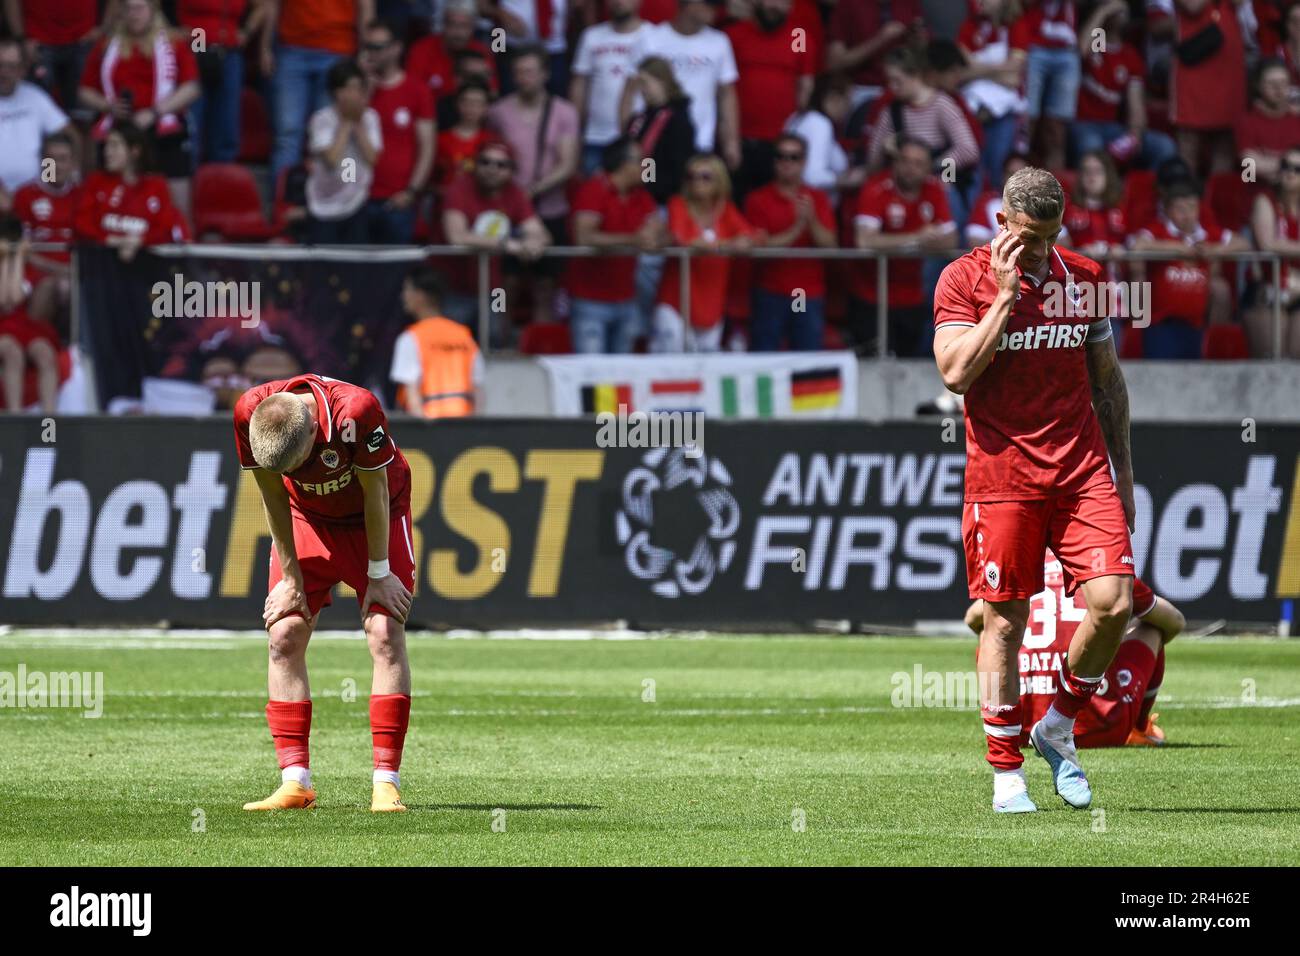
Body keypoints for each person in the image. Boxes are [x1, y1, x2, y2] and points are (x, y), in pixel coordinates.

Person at [932, 165, 1137, 814]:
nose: (1042, 250)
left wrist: (1124, 471)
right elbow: (957, 375)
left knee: (1114, 603)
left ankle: (1057, 725)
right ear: (1001, 223)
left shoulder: (1087, 280)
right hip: (1003, 477)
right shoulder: (962, 280)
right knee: (1004, 621)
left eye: (1051, 236)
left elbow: (1106, 382)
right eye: (1028, 235)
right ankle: (1006, 773)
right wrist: (1003, 296)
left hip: (1081, 472)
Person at [233, 373, 416, 812]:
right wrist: (291, 578)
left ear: (315, 430)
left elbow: (377, 491)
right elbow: (273, 495)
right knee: (284, 636)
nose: (296, 474)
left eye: (299, 465)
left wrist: (377, 572)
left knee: (384, 632)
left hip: (375, 516)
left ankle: (385, 784)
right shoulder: (247, 411)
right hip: (304, 519)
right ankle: (294, 782)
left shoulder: (358, 410)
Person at [964, 551, 1185, 749]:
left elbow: (972, 619)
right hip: (1101, 728)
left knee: (990, 632)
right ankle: (1139, 728)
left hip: (1022, 729)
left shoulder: (1021, 567)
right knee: (1152, 628)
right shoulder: (1104, 568)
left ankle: (1000, 726)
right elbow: (1175, 621)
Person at [78, 0, 201, 217]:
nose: (133, 14)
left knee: (177, 208)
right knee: (113, 202)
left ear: (153, 10)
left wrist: (155, 112)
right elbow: (84, 91)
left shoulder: (174, 43)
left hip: (164, 128)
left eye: (139, 8)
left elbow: (192, 88)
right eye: (128, 8)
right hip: (119, 128)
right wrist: (108, 106)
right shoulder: (106, 45)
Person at [487, 45, 580, 325]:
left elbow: (567, 163)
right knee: (506, 284)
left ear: (544, 75)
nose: (523, 78)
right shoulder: (499, 112)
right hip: (509, 210)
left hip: (550, 208)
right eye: (518, 72)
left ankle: (541, 346)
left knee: (545, 286)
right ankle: (499, 343)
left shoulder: (564, 112)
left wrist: (533, 190)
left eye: (529, 71)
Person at [854, 136, 958, 357]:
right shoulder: (876, 187)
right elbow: (864, 241)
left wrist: (896, 241)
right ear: (895, 162)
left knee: (908, 361)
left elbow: (951, 240)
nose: (911, 168)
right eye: (905, 160)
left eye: (918, 163)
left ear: (928, 167)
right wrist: (918, 237)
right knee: (876, 361)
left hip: (912, 295)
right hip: (872, 294)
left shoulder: (934, 189)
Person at [440, 138, 551, 335]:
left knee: (496, 334)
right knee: (452, 340)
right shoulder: (459, 188)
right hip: (455, 288)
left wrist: (534, 242)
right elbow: (457, 236)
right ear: (476, 164)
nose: (492, 169)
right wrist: (506, 244)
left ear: (511, 170)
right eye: (485, 162)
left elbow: (539, 231)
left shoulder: (514, 193)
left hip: (496, 290)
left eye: (501, 165)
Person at [1129, 179, 1248, 358]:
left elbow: (1244, 244)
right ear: (1168, 211)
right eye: (1180, 209)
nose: (1187, 215)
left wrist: (1214, 249)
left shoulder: (1207, 233)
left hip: (1196, 325)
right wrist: (1178, 248)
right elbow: (1137, 245)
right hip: (1161, 325)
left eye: (1192, 208)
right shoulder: (1158, 230)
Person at [568, 136, 663, 353]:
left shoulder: (641, 195)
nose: (647, 166)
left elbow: (662, 230)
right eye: (642, 161)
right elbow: (584, 237)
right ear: (624, 164)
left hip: (627, 300)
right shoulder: (593, 190)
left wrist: (655, 237)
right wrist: (634, 239)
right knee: (591, 375)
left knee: (620, 377)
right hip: (590, 302)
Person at [743, 132, 837, 351]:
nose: (787, 162)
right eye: (781, 156)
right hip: (771, 291)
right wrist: (797, 228)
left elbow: (830, 246)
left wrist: (811, 220)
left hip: (807, 292)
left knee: (807, 361)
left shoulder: (817, 198)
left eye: (794, 157)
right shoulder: (757, 199)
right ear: (773, 160)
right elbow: (759, 246)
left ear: (804, 162)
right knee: (765, 359)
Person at [652, 152, 754, 352]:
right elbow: (683, 239)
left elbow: (748, 240)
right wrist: (726, 245)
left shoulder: (726, 210)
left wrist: (714, 246)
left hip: (711, 306)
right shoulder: (678, 204)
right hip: (676, 304)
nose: (697, 182)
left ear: (719, 181)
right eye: (691, 177)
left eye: (705, 177)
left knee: (706, 372)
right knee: (673, 369)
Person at [263, 0, 372, 182]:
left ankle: (329, 205)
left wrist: (366, 50)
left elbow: (366, 5)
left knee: (331, 133)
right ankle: (283, 204)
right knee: (287, 135)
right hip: (292, 47)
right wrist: (265, 46)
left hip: (337, 49)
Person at [629, 0, 741, 168]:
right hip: (652, 142)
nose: (715, 9)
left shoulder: (719, 42)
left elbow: (726, 95)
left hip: (700, 143)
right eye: (709, 4)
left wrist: (731, 143)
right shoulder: (650, 39)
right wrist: (629, 137)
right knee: (650, 186)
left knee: (689, 191)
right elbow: (630, 91)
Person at [723, 0, 816, 202]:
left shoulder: (797, 36)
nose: (775, 5)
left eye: (783, 2)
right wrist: (729, 139)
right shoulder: (735, 35)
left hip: (780, 142)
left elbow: (805, 81)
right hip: (740, 138)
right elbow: (724, 89)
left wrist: (797, 126)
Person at [1072, 0, 1177, 171]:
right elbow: (1081, 50)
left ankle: (1147, 195)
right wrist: (1104, 11)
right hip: (1084, 125)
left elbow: (1136, 102)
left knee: (1164, 146)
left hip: (1113, 128)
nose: (1120, 8)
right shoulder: (1096, 44)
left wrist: (1134, 134)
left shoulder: (1129, 54)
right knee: (1092, 146)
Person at [360, 19, 435, 244]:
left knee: (394, 273)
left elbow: (427, 147)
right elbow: (346, 136)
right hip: (359, 199)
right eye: (368, 47)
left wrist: (412, 192)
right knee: (355, 274)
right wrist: (365, 90)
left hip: (397, 200)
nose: (372, 54)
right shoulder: (355, 90)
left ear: (396, 48)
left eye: (378, 48)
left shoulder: (417, 90)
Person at [74, 123, 191, 261]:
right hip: (100, 264)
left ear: (135, 151)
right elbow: (81, 223)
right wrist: (109, 240)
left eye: (115, 145)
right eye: (106, 146)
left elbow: (167, 228)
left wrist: (140, 241)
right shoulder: (95, 182)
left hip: (150, 266)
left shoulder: (157, 185)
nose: (107, 152)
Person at [570, 0, 656, 174]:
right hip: (595, 136)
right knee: (592, 194)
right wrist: (575, 131)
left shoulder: (655, 36)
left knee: (641, 193)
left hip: (639, 139)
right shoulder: (591, 36)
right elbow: (579, 86)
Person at [305, 59, 382, 244]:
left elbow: (372, 158)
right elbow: (332, 159)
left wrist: (358, 125)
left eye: (357, 89)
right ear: (334, 92)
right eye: (346, 89)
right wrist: (346, 123)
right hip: (323, 205)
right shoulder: (321, 119)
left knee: (353, 265)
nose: (352, 95)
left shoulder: (370, 118)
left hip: (355, 203)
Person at [390, 266, 484, 416]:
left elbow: (412, 396)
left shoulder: (410, 338)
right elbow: (478, 394)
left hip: (429, 431)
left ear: (420, 295)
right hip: (464, 429)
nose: (403, 296)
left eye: (407, 290)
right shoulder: (465, 336)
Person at [1170, 0, 1247, 177]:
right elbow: (1193, 5)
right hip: (1196, 64)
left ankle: (1217, 201)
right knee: (1189, 143)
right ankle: (1185, 198)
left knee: (1226, 141)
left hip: (1228, 66)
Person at [956, 0, 1027, 193]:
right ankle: (975, 219)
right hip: (972, 112)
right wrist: (1000, 73)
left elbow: (1015, 74)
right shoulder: (969, 26)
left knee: (998, 170)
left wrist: (976, 68)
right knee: (972, 170)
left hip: (1004, 114)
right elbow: (959, 72)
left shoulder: (1016, 25)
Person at [11, 131, 80, 328]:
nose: (57, 166)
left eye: (63, 159)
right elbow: (22, 250)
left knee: (74, 287)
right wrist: (59, 271)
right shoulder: (25, 196)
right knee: (57, 286)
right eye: (51, 160)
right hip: (36, 272)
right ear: (42, 162)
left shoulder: (82, 196)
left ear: (73, 163)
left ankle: (71, 350)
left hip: (75, 272)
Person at [0, 37, 73, 213]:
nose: (4, 72)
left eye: (11, 66)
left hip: (37, 198)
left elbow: (65, 136)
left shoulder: (34, 97)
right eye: (0, 65)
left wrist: (50, 180)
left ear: (23, 70)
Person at [1012, 0, 1080, 172]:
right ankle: (1017, 176)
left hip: (1067, 49)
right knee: (1028, 117)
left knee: (1057, 125)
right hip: (1034, 44)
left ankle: (1058, 185)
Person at [1245, 145, 1300, 357]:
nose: (1289, 173)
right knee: (1271, 359)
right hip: (1267, 290)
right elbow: (1267, 243)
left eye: (1297, 169)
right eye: (1285, 166)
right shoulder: (1265, 200)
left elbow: (1277, 244)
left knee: (1296, 362)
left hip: (1298, 291)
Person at [0, 218, 59, 413]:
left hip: (25, 326)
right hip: (3, 327)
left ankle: (50, 419)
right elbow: (6, 301)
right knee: (12, 353)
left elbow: (16, 295)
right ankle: (16, 418)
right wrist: (6, 261)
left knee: (46, 354)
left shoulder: (30, 268)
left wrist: (16, 259)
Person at [826, 0, 926, 114]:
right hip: (864, 89)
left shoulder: (909, 3)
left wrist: (918, 39)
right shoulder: (849, 4)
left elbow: (926, 53)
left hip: (906, 86)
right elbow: (834, 62)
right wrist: (880, 39)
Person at [3, 0, 100, 118]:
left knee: (84, 112)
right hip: (37, 40)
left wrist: (103, 27)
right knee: (38, 109)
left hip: (84, 40)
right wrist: (21, 39)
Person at [623, 55, 695, 206]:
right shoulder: (641, 118)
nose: (641, 90)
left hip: (663, 199)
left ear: (662, 81)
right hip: (638, 195)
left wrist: (649, 184)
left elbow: (678, 165)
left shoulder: (677, 120)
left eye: (645, 83)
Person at [406, 0, 497, 98]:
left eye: (464, 26)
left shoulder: (481, 51)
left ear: (473, 28)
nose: (458, 33)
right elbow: (411, 92)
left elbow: (493, 93)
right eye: (452, 25)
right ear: (443, 25)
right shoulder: (422, 49)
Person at [1236, 59, 1300, 183]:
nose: (1279, 89)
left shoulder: (1297, 118)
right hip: (1259, 189)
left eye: (1284, 83)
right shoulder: (1247, 121)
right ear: (1258, 86)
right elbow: (1249, 169)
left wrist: (1269, 163)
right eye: (1271, 83)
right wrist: (1291, 165)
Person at [433, 78, 494, 188]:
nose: (471, 108)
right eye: (467, 102)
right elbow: (432, 180)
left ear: (486, 108)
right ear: (458, 104)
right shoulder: (441, 140)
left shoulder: (492, 141)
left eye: (478, 103)